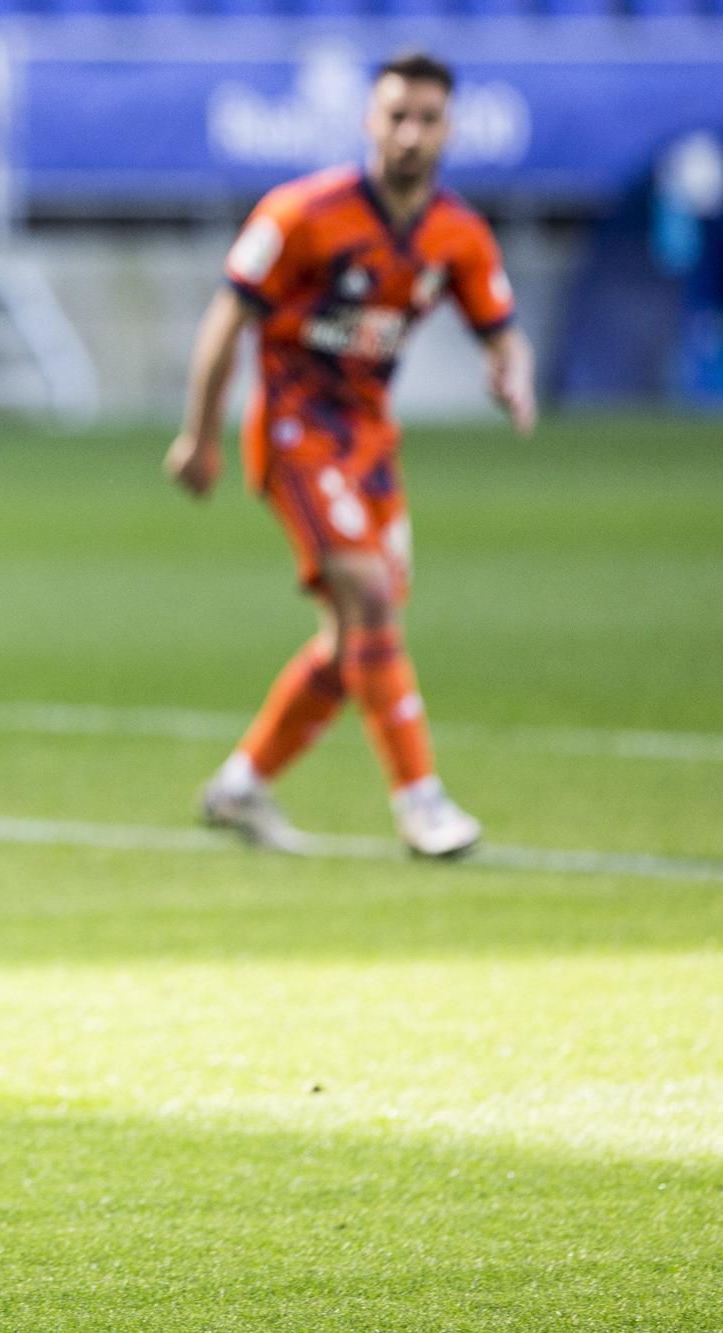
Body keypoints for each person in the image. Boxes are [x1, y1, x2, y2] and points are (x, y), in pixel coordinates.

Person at [164, 52, 535, 858]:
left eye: (426, 119)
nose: (409, 134)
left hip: (369, 443)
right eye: (395, 116)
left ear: (449, 128)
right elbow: (228, 317)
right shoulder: (301, 214)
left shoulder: (457, 235)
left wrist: (513, 376)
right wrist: (199, 433)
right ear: (370, 119)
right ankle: (421, 803)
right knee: (369, 595)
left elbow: (502, 332)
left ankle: (241, 785)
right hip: (296, 428)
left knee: (355, 641)